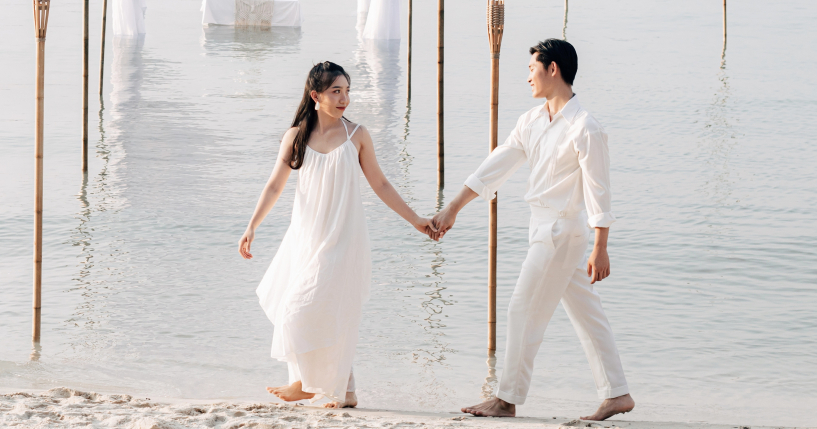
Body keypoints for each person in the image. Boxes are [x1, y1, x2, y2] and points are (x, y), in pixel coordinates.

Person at [430, 39, 634, 421]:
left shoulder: (585, 127)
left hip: (562, 231)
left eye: (531, 69)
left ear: (552, 69)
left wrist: (600, 246)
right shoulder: (532, 120)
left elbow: (598, 191)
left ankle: (507, 398)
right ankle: (617, 392)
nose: (527, 77)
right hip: (541, 227)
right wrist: (453, 207)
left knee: (521, 308)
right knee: (587, 314)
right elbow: (497, 165)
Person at [239, 61, 436, 409]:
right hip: (305, 236)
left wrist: (415, 219)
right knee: (321, 311)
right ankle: (345, 392)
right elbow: (274, 185)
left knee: (303, 309)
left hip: (343, 237)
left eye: (347, 90)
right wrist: (252, 225)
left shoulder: (356, 134)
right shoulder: (297, 136)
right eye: (336, 91)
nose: (345, 98)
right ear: (316, 95)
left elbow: (381, 183)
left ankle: (304, 383)